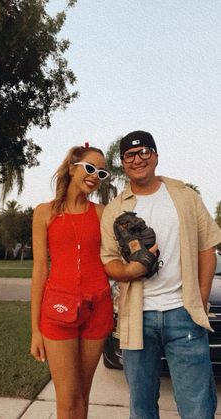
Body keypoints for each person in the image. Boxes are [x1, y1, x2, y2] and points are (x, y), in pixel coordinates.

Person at [100, 130, 221, 419]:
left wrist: (200, 299)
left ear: (155, 156)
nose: (138, 159)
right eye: (130, 154)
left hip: (183, 313)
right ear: (123, 162)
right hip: (136, 316)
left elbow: (208, 248)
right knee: (141, 407)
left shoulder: (184, 196)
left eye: (144, 152)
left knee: (197, 407)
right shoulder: (115, 209)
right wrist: (132, 269)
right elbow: (108, 262)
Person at [30, 144, 113, 419]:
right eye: (90, 168)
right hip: (57, 312)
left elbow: (113, 260)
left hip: (97, 309)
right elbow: (40, 270)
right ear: (71, 168)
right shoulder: (45, 213)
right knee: (66, 400)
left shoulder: (102, 213)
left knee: (82, 396)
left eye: (101, 172)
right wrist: (35, 330)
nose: (94, 176)